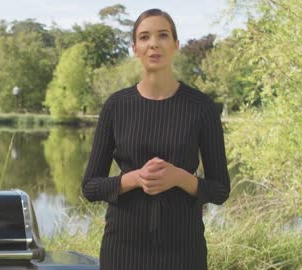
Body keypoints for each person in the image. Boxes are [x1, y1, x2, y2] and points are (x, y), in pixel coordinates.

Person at [81, 8, 231, 270]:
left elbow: (220, 190)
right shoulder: (116, 106)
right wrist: (133, 179)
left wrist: (180, 178)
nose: (154, 44)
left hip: (184, 250)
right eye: (144, 37)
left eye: (162, 35)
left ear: (175, 45)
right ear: (135, 48)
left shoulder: (202, 107)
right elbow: (90, 187)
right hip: (123, 249)